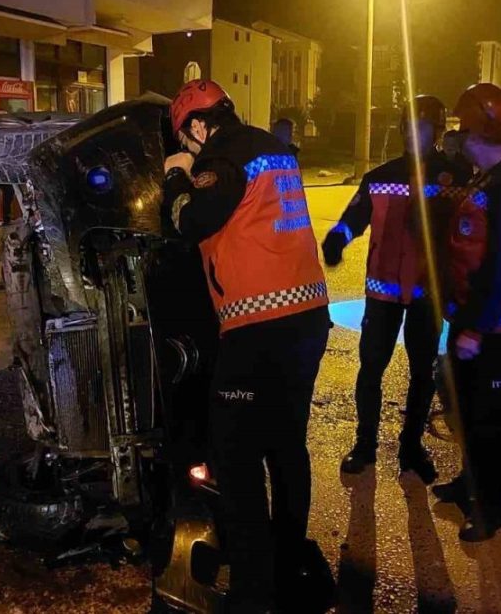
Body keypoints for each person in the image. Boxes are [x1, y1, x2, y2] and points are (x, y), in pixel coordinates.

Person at [162, 79, 333, 613]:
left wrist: (174, 179)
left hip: (259, 326)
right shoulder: (272, 148)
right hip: (308, 318)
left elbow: (193, 221)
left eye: (186, 140)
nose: (190, 150)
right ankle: (286, 561)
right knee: (286, 447)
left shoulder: (222, 156)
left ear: (196, 126)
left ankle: (253, 590)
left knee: (234, 457)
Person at [322, 95, 459, 485]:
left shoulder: (453, 178)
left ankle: (411, 448)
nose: (416, 134)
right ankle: (364, 445)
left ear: (437, 131)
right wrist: (338, 238)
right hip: (382, 294)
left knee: (422, 373)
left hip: (425, 294)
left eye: (425, 127)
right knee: (371, 371)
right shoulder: (380, 176)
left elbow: (469, 235)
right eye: (410, 126)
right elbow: (355, 217)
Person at [430, 83, 501, 542]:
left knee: (494, 421)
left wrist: (476, 328)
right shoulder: (488, 178)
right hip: (473, 317)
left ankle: (491, 509)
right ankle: (468, 484)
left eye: (463, 128)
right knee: (469, 411)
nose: (457, 138)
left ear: (481, 131)